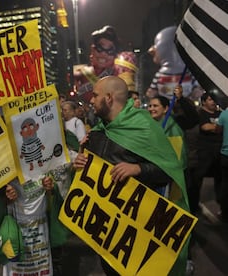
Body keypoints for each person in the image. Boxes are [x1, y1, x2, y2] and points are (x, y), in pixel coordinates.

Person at [73, 76, 189, 276]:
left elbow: (170, 170)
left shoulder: (144, 127)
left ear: (109, 98)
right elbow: (89, 171)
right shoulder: (97, 132)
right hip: (107, 232)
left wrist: (138, 169)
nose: (91, 101)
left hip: (138, 233)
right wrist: (81, 162)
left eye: (95, 95)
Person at [190, 93, 223, 215]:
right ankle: (194, 206)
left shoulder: (221, 113)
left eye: (214, 99)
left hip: (219, 151)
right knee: (197, 180)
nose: (213, 102)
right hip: (204, 152)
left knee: (221, 179)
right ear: (203, 102)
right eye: (210, 99)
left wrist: (216, 127)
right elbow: (205, 127)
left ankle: (222, 206)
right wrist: (220, 127)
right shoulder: (200, 113)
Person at [217, 108, 228, 222]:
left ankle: (224, 212)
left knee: (225, 185)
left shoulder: (224, 114)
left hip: (225, 154)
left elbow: (218, 130)